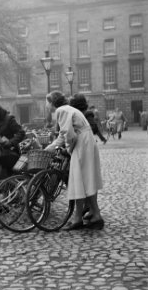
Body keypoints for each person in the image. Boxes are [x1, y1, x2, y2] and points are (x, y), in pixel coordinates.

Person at [44, 91, 104, 230]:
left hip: (82, 144)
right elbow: (63, 135)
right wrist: (51, 147)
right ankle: (96, 215)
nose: (46, 105)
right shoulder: (67, 109)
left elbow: (69, 136)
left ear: (52, 102)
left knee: (79, 180)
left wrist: (68, 149)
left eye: (47, 102)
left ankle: (78, 218)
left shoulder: (60, 110)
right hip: (86, 141)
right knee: (86, 180)